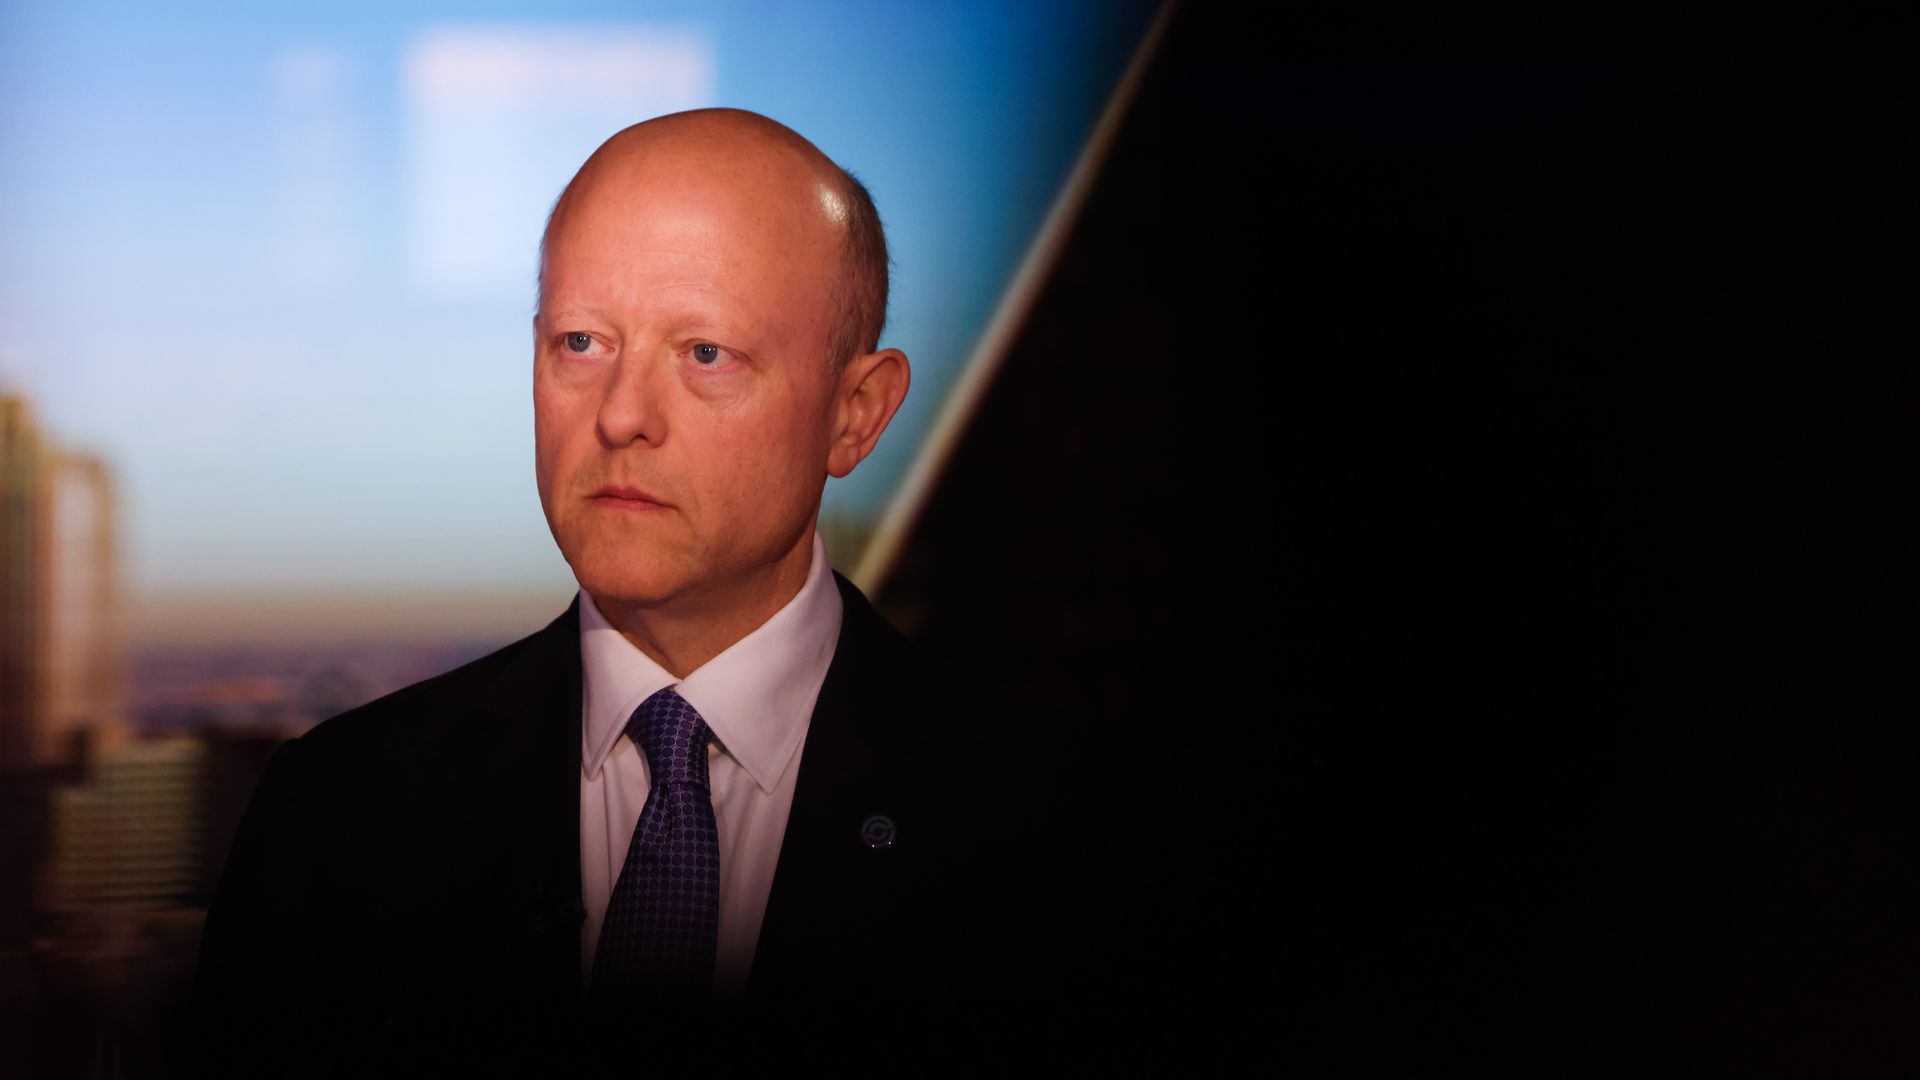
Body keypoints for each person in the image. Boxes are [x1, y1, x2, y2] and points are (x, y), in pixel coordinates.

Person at [189, 108, 1048, 1078]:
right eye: (582, 343)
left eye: (705, 353)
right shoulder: (337, 820)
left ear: (856, 414)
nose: (621, 415)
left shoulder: (1053, 831)